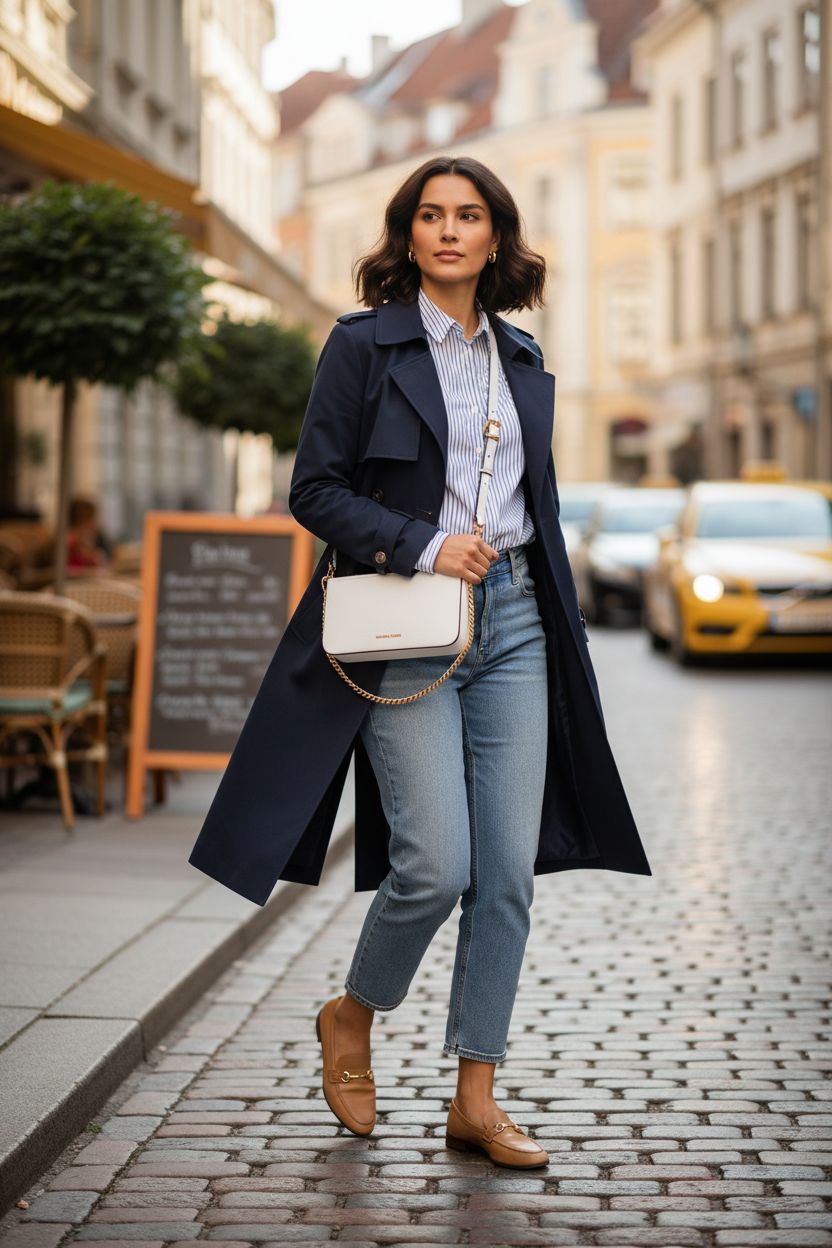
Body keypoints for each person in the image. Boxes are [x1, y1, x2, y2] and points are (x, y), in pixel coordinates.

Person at [186, 154, 652, 1169]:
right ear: (408, 235)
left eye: (468, 215)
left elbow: (532, 503)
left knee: (508, 875)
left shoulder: (520, 356)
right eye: (431, 215)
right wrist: (426, 543)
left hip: (517, 621)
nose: (449, 230)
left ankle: (475, 1097)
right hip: (404, 621)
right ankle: (352, 1014)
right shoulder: (364, 345)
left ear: (495, 237)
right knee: (435, 863)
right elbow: (315, 491)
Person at [66, 496, 112, 573]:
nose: (95, 522)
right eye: (93, 518)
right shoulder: (71, 540)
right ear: (84, 519)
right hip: (76, 577)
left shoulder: (84, 538)